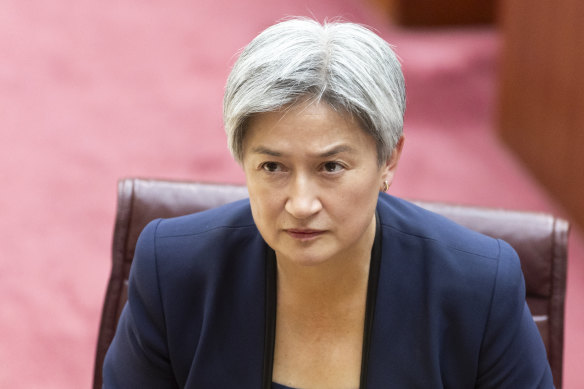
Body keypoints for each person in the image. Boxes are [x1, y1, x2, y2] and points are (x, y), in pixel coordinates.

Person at [103, 18, 554, 388]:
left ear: (388, 160)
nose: (301, 204)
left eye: (331, 167)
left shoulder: (479, 288)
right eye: (273, 168)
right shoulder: (174, 270)